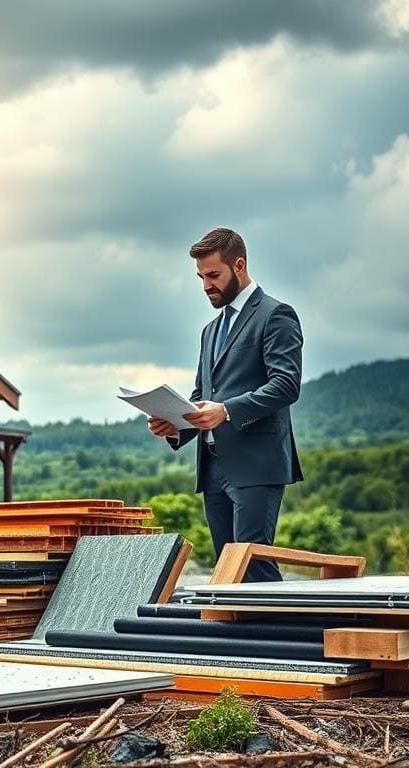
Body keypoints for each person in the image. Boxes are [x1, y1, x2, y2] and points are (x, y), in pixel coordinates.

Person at [148, 228, 303, 581]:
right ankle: (237, 637)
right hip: (213, 468)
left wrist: (227, 410)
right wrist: (174, 425)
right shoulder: (209, 330)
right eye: (201, 277)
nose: (206, 285)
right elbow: (203, 393)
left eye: (213, 275)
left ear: (240, 265)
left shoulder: (276, 315)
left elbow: (286, 385)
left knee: (252, 568)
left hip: (256, 465)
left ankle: (277, 637)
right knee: (227, 573)